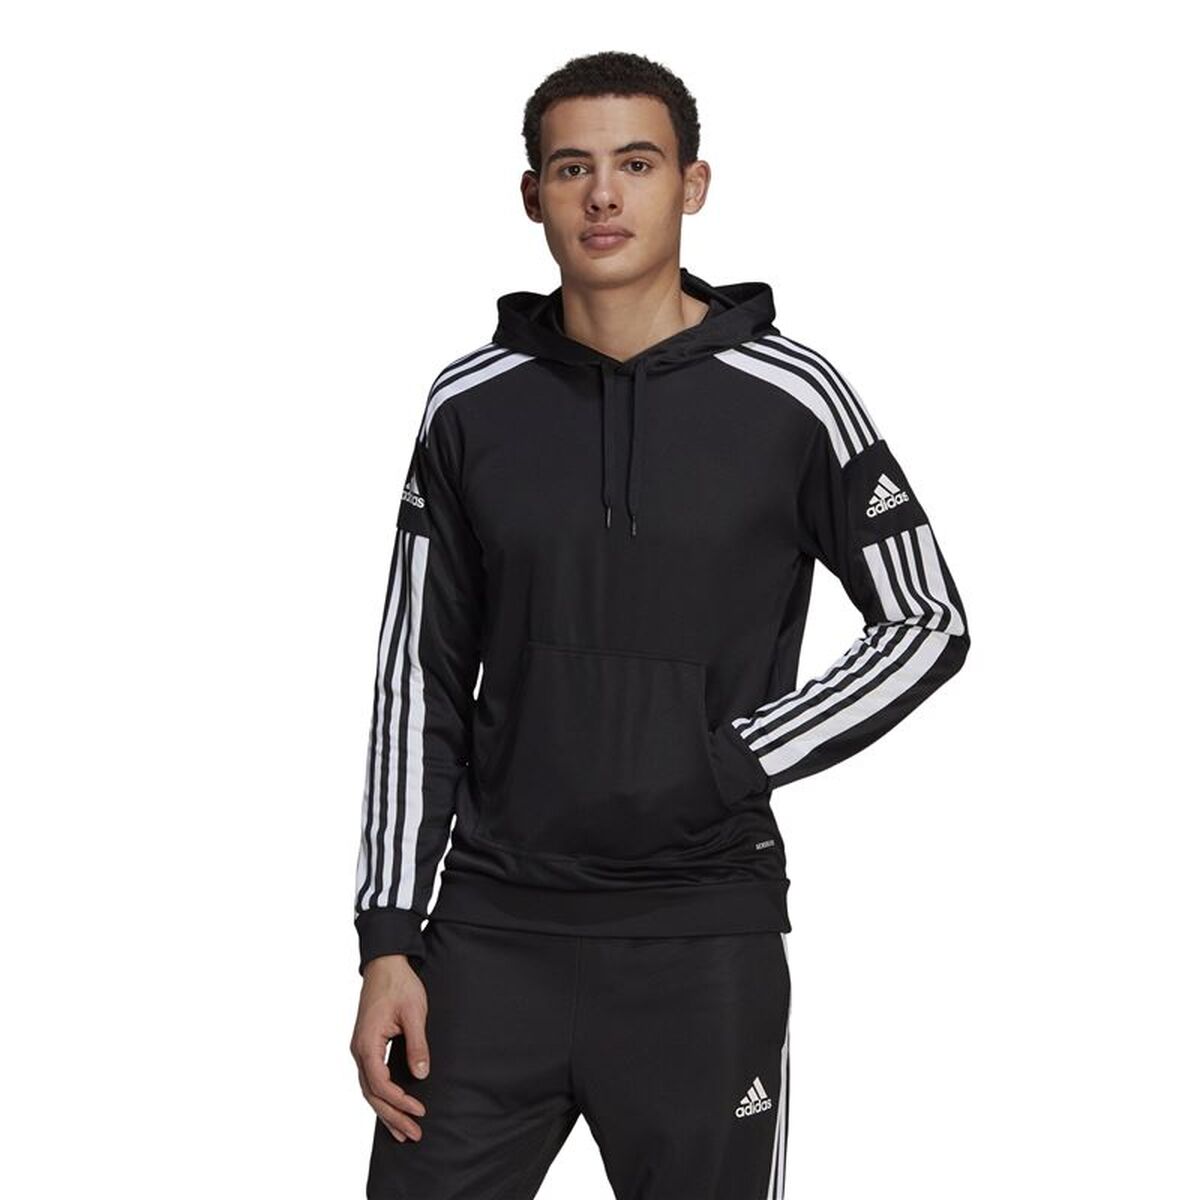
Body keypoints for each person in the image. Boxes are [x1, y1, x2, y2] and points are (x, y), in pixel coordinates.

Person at [349, 49, 970, 1199]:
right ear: (531, 194)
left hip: (701, 942)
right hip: (489, 937)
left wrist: (738, 755)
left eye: (636, 164)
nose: (603, 195)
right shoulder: (469, 406)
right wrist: (388, 935)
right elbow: (415, 680)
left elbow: (926, 619)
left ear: (692, 185)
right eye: (571, 168)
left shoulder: (795, 399)